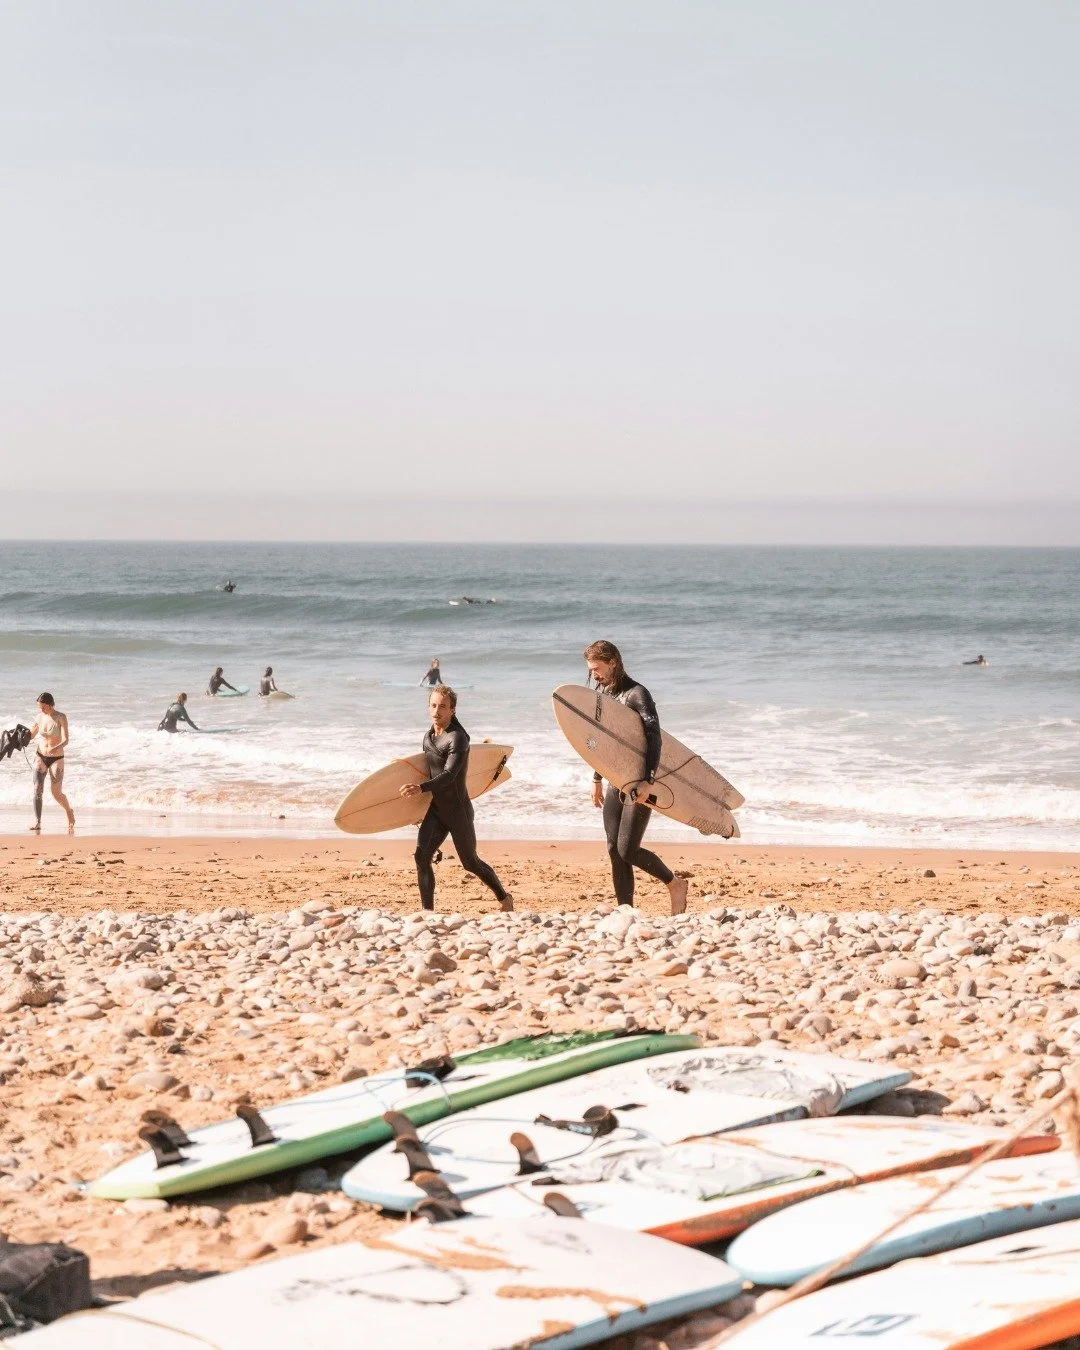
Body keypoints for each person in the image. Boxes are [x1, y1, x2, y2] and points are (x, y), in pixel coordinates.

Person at [583, 640, 688, 915]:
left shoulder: (637, 694)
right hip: (615, 778)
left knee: (628, 849)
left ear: (613, 662)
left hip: (640, 781)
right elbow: (605, 742)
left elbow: (654, 739)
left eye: (597, 668)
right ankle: (625, 911)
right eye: (591, 669)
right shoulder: (606, 692)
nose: (594, 674)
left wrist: (648, 780)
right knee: (612, 848)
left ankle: (674, 883)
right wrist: (597, 778)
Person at [399, 684, 513, 913]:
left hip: (458, 811)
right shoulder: (428, 736)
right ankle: (427, 912)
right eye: (433, 705)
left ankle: (504, 898)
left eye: (442, 706)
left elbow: (449, 776)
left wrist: (420, 789)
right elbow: (425, 772)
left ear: (452, 710)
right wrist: (417, 809)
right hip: (436, 810)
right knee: (422, 857)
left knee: (470, 863)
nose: (436, 711)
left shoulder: (458, 738)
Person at [28, 693, 75, 833]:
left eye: (43, 707)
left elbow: (66, 739)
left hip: (56, 757)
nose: (41, 709)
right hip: (41, 755)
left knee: (56, 793)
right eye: (39, 707)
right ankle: (37, 822)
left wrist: (57, 747)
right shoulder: (39, 717)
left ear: (49, 704)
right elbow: (31, 735)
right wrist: (19, 737)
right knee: (37, 789)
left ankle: (68, 811)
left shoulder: (61, 717)